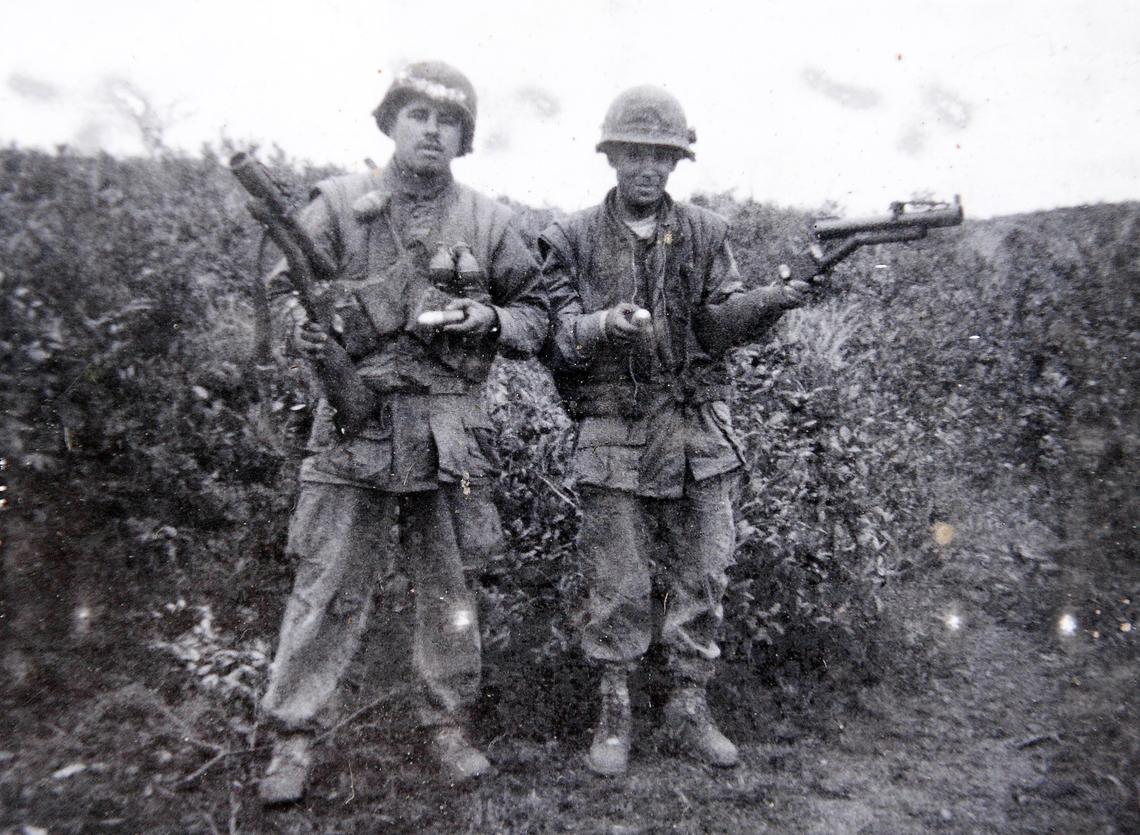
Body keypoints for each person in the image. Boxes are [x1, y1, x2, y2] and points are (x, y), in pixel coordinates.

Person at [256, 61, 546, 803]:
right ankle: (293, 735)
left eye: (448, 120)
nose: (432, 129)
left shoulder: (490, 221)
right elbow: (285, 285)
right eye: (417, 114)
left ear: (463, 136)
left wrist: (491, 318)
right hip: (354, 417)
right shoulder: (338, 203)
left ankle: (447, 725)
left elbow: (539, 310)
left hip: (450, 426)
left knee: (450, 585)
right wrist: (304, 332)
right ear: (390, 122)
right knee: (327, 579)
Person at [539, 86, 809, 776]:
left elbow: (717, 324)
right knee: (617, 578)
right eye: (634, 153)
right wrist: (606, 324)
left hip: (695, 427)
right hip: (614, 428)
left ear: (676, 161)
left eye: (661, 156)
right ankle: (614, 708)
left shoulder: (706, 232)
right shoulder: (569, 238)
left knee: (705, 568)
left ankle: (689, 704)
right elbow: (557, 335)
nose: (647, 168)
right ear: (612, 156)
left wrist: (770, 303)